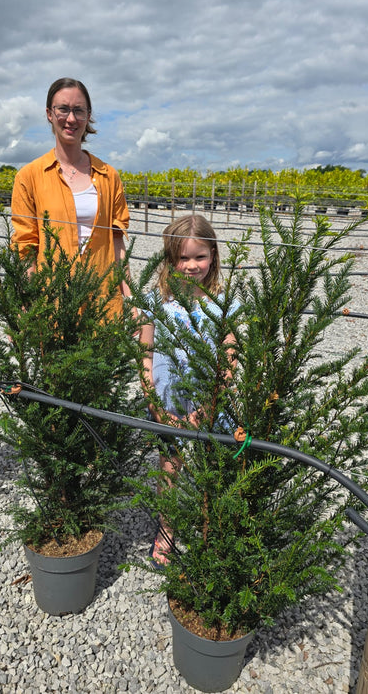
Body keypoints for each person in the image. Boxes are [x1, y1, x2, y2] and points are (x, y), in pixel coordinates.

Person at [139, 214, 238, 567]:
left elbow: (230, 355)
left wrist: (212, 402)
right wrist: (154, 402)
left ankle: (211, 529)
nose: (192, 265)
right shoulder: (155, 300)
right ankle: (166, 529)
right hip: (168, 403)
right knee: (170, 464)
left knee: (214, 463)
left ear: (213, 256)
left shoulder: (224, 302)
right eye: (183, 257)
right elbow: (145, 353)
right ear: (169, 258)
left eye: (200, 256)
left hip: (209, 403)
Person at [11, 77, 130, 314]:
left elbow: (117, 243)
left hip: (104, 299)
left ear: (88, 115)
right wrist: (28, 302)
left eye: (79, 110)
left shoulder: (109, 176)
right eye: (63, 109)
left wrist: (130, 297)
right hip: (53, 300)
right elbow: (26, 247)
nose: (71, 118)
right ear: (49, 113)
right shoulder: (29, 177)